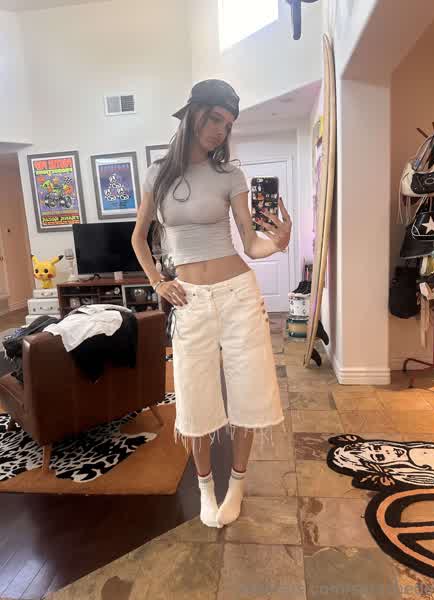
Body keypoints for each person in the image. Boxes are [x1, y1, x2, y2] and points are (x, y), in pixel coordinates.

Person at [132, 79, 292, 528]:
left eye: (229, 123)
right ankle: (205, 487)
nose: (222, 129)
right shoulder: (157, 174)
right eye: (216, 118)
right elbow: (138, 238)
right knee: (195, 396)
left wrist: (279, 243)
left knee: (249, 393)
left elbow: (250, 244)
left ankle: (236, 484)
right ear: (193, 114)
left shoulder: (229, 176)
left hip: (238, 295)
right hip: (190, 300)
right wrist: (158, 282)